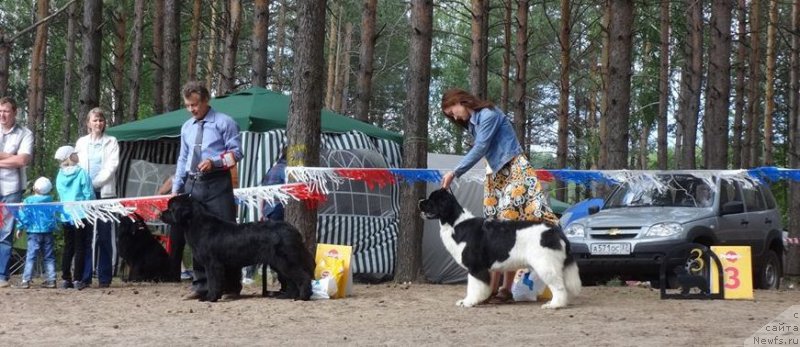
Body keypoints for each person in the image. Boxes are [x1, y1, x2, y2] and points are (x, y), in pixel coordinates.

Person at [439, 88, 559, 304]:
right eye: (450, 116)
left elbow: (481, 148)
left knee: (507, 227)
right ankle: (491, 289)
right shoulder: (474, 124)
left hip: (514, 171)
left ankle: (505, 289)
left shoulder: (489, 115)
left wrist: (455, 172)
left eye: (453, 111)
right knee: (494, 228)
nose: (454, 117)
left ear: (461, 101)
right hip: (496, 175)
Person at [172, 81, 243, 300]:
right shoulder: (186, 127)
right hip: (194, 186)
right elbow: (183, 158)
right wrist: (176, 188)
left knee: (228, 237)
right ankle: (201, 285)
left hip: (218, 185)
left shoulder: (225, 122)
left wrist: (215, 162)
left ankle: (231, 286)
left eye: (195, 104)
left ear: (205, 101)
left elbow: (237, 153)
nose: (192, 109)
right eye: (188, 105)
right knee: (197, 238)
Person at [74, 107, 119, 288]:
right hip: (85, 195)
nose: (98, 123)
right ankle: (84, 276)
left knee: (104, 235)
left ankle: (104, 277)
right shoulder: (81, 143)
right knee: (85, 235)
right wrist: (83, 187)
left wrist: (94, 184)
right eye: (95, 120)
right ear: (88, 123)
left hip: (105, 193)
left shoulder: (112, 141)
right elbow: (76, 167)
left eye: (101, 120)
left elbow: (111, 166)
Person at [0, 97, 34, 288]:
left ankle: (2, 275)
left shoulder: (25, 133)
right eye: (0, 111)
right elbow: (16, 159)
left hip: (12, 189)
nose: (2, 115)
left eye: (6, 111)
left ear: (14, 112)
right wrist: (11, 157)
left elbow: (22, 161)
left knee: (5, 233)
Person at [243, 147, 288, 285]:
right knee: (275, 245)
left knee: (261, 243)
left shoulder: (272, 169)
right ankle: (277, 274)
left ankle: (250, 275)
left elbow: (263, 192)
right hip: (280, 208)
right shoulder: (287, 170)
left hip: (269, 209)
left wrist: (262, 212)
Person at [54, 145, 96, 290]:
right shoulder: (82, 173)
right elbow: (88, 193)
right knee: (81, 247)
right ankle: (78, 278)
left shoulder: (60, 175)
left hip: (66, 215)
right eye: (75, 154)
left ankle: (66, 278)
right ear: (70, 157)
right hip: (82, 214)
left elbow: (60, 193)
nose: (77, 155)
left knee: (68, 247)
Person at [13, 177, 58, 289]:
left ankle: (25, 280)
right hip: (48, 232)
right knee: (49, 256)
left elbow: (23, 215)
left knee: (31, 256)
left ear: (34, 188)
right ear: (49, 190)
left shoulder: (28, 201)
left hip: (33, 232)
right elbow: (55, 216)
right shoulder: (51, 201)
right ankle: (51, 280)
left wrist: (20, 228)